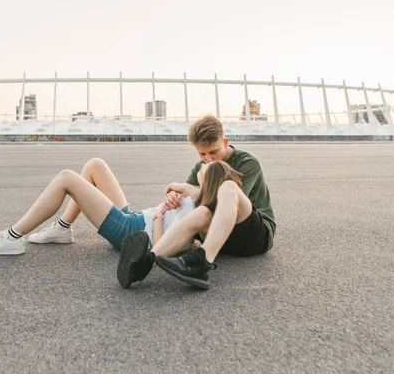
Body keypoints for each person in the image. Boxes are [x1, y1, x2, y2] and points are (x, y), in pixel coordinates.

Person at [117, 114, 276, 290]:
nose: (208, 159)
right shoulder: (200, 167)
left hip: (254, 237)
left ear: (225, 141)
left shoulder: (247, 163)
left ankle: (202, 262)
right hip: (220, 239)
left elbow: (228, 205)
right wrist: (173, 198)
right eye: (202, 154)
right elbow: (189, 204)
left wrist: (193, 188)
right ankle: (145, 263)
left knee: (228, 187)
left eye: (213, 152)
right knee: (201, 212)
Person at [0, 158, 199, 256]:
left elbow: (160, 249)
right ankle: (63, 228)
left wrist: (161, 211)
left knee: (66, 179)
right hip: (138, 219)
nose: (203, 165)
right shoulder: (200, 197)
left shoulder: (202, 213)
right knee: (95, 165)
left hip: (131, 232)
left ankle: (12, 238)